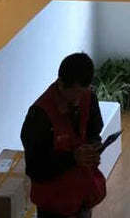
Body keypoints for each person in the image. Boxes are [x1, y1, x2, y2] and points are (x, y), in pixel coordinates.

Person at [21, 53, 106, 218]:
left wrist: (93, 148)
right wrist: (73, 158)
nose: (78, 100)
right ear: (61, 83)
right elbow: (35, 168)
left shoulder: (88, 97)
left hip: (82, 195)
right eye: (75, 93)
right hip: (53, 204)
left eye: (83, 92)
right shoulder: (39, 116)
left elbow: (94, 132)